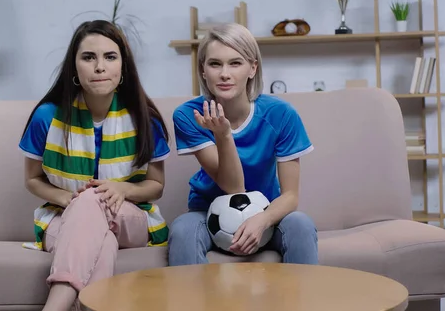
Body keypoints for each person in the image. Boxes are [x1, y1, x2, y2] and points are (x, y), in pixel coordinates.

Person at [19, 20, 171, 311]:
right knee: (104, 245)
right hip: (63, 217)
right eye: (89, 57)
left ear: (123, 67)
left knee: (92, 199)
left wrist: (121, 189)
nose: (99, 66)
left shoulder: (144, 118)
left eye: (110, 57)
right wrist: (67, 198)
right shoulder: (47, 117)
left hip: (131, 219)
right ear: (74, 67)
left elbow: (156, 186)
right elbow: (32, 179)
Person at [168, 23, 318, 265]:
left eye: (235, 63)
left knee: (300, 224)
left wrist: (262, 219)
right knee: (182, 231)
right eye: (215, 64)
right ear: (203, 71)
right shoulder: (189, 115)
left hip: (266, 210)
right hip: (207, 212)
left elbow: (290, 196)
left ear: (252, 68)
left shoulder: (281, 114)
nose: (224, 74)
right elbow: (234, 187)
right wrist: (224, 135)